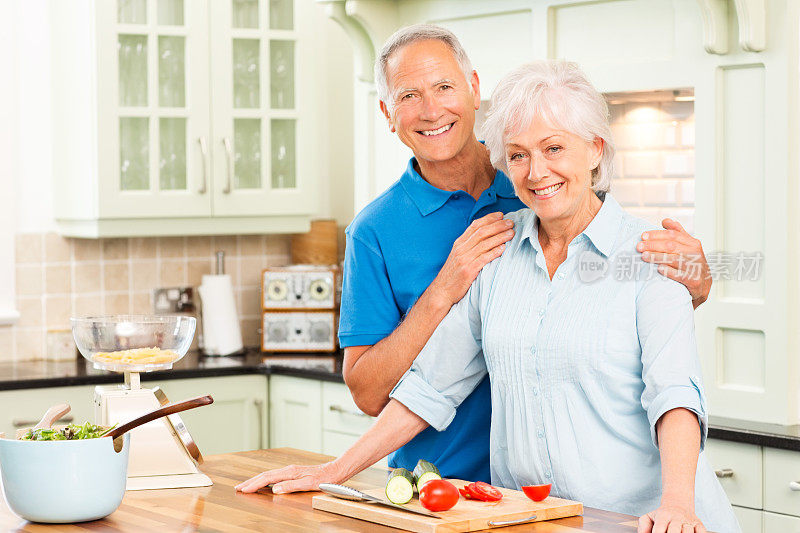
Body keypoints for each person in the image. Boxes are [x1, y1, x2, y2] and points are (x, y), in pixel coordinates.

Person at [236, 60, 739, 533]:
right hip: (535, 518)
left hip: (646, 521)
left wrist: (676, 503)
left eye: (555, 148)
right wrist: (335, 470)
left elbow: (674, 394)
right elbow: (432, 387)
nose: (536, 171)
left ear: (596, 150)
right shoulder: (495, 249)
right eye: (518, 155)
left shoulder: (653, 253)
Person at [331, 24, 713, 485]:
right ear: (387, 113)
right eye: (409, 96)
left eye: (444, 86)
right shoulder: (391, 233)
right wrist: (444, 289)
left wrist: (694, 285)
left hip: (599, 504)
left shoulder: (564, 209)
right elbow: (405, 390)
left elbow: (666, 377)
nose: (536, 170)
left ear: (474, 89)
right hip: (456, 489)